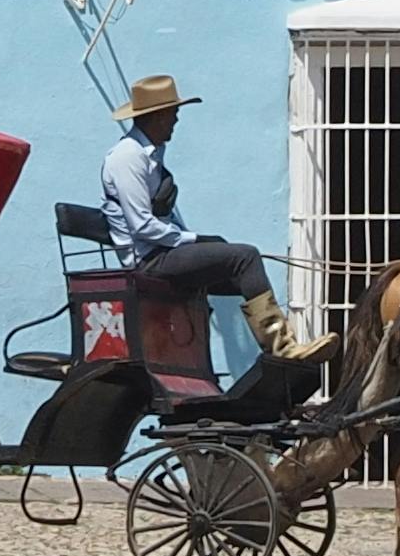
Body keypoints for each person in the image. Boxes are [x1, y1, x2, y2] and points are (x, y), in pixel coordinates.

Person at [103, 74, 308, 363]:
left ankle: (200, 360)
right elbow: (142, 225)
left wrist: (201, 246)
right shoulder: (127, 158)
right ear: (158, 116)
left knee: (240, 272)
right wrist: (195, 240)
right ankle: (283, 349)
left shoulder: (151, 155)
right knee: (245, 257)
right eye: (173, 113)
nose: (176, 120)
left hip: (164, 253)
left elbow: (164, 218)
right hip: (150, 261)